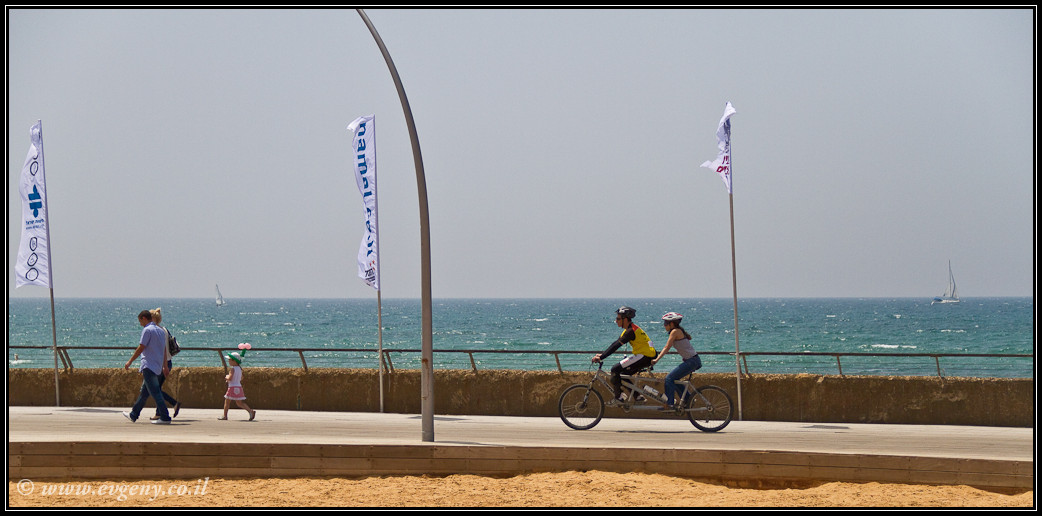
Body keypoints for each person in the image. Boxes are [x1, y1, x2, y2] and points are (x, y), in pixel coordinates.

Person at [591, 306, 656, 404]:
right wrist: (602, 354)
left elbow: (616, 346)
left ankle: (619, 397)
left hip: (644, 356)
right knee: (623, 375)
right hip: (646, 355)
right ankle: (638, 397)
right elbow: (615, 343)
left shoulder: (630, 331)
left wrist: (601, 357)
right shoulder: (629, 330)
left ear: (625, 319)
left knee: (615, 369)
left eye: (618, 318)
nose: (616, 321)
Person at [122, 309, 172, 424]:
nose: (140, 324)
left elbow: (141, 347)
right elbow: (164, 350)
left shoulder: (147, 330)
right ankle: (133, 415)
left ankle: (165, 417)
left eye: (140, 321)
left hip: (148, 366)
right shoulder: (160, 331)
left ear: (144, 318)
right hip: (158, 366)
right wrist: (165, 366)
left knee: (155, 392)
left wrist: (130, 361)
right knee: (144, 392)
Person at [652, 312, 702, 409]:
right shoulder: (677, 331)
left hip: (692, 361)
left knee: (669, 378)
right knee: (674, 380)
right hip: (693, 360)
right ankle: (689, 400)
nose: (664, 325)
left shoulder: (675, 331)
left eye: (666, 323)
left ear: (672, 324)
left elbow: (667, 347)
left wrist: (656, 360)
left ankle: (669, 404)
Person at [149, 308, 182, 420]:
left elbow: (161, 348)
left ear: (153, 319)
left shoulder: (156, 331)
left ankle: (173, 403)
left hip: (161, 363)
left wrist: (163, 365)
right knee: (156, 388)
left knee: (154, 389)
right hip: (168, 362)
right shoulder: (165, 330)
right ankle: (159, 412)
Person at [219, 352, 256, 421]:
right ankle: (250, 411)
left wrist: (226, 377)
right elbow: (241, 378)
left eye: (230, 360)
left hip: (232, 387)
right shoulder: (239, 369)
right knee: (240, 403)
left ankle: (225, 416)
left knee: (227, 402)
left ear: (234, 361)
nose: (229, 361)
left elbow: (230, 378)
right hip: (238, 387)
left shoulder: (232, 369)